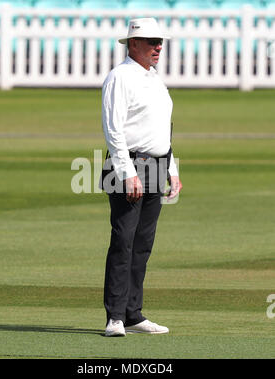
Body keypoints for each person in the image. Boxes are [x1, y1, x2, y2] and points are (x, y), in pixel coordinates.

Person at [101, 17, 181, 337]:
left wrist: (172, 169)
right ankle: (115, 316)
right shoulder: (120, 77)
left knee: (143, 244)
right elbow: (113, 129)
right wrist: (127, 172)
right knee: (123, 240)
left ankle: (133, 313)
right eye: (151, 42)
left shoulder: (154, 78)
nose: (157, 47)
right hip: (129, 166)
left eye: (159, 41)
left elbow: (161, 129)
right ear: (133, 44)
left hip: (157, 165)